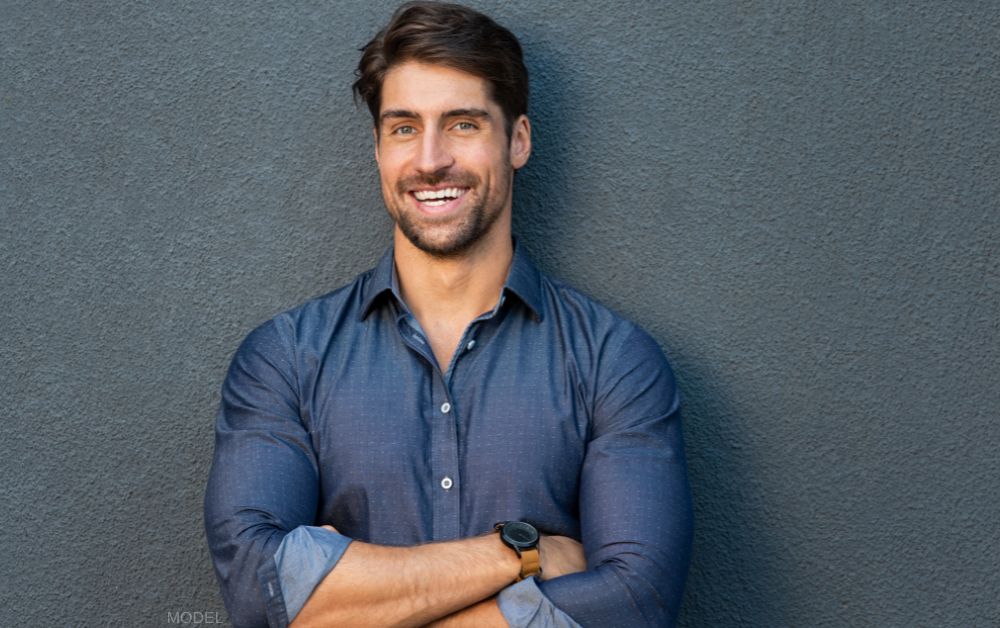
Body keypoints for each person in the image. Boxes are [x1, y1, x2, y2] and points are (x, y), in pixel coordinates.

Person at [203, 2, 692, 626]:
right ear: (379, 147)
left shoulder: (614, 361)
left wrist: (349, 602)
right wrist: (522, 555)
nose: (430, 160)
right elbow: (256, 592)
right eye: (404, 127)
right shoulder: (285, 359)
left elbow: (635, 605)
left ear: (517, 140)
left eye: (462, 124)